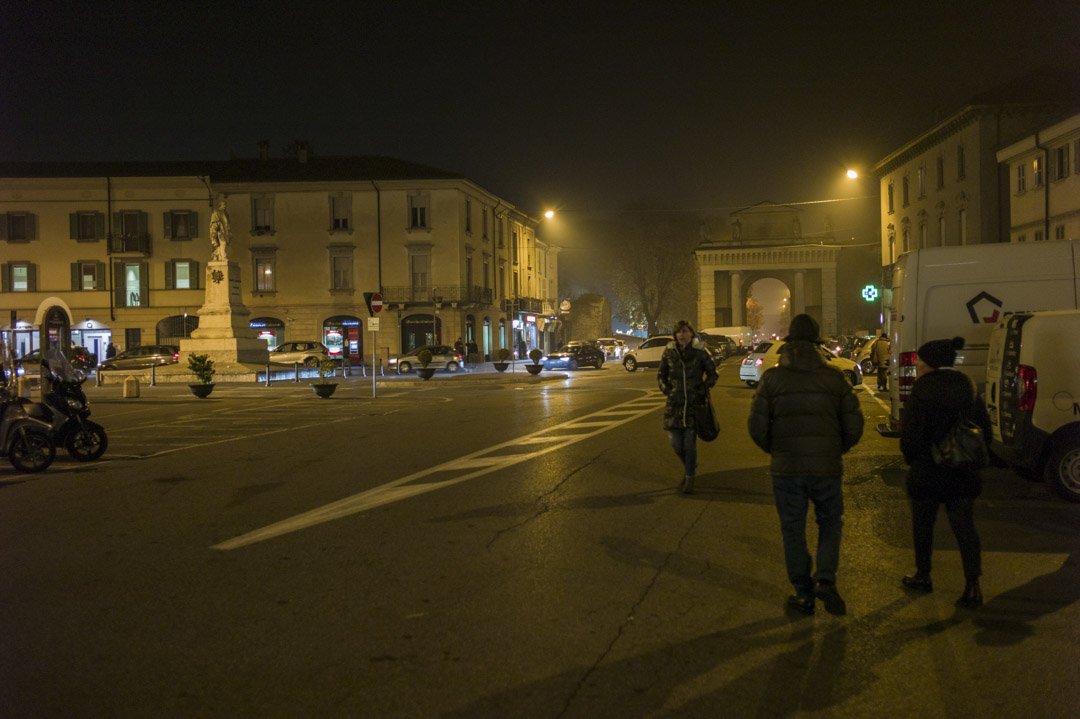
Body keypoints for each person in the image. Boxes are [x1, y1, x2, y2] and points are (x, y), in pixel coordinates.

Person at [748, 314, 864, 615]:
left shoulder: (773, 379)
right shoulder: (835, 378)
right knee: (829, 523)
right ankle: (826, 578)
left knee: (793, 530)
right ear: (817, 343)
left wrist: (777, 450)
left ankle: (803, 594)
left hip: (787, 469)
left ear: (787, 344)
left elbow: (756, 427)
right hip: (826, 468)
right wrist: (835, 449)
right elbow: (854, 425)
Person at [900, 336, 991, 608]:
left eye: (919, 362)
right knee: (965, 528)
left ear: (929, 364)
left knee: (923, 527)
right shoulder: (968, 386)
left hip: (928, 471)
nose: (917, 366)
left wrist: (914, 459)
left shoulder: (922, 390)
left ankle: (923, 575)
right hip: (962, 470)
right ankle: (973, 584)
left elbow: (911, 435)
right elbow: (983, 429)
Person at [657, 320, 718, 495]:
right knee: (675, 443)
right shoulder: (669, 352)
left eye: (685, 331)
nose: (682, 335)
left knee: (689, 444)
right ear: (675, 335)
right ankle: (690, 465)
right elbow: (661, 374)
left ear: (691, 333)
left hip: (693, 404)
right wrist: (666, 389)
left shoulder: (700, 352)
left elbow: (713, 373)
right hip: (674, 404)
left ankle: (689, 477)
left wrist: (704, 388)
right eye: (679, 332)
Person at [209, 197, 231, 262]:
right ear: (220, 205)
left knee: (221, 245)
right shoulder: (216, 212)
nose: (225, 206)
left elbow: (228, 223)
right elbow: (214, 222)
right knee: (223, 243)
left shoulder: (226, 213)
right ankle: (223, 257)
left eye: (225, 205)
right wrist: (215, 231)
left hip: (225, 230)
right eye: (224, 204)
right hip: (219, 230)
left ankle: (215, 255)